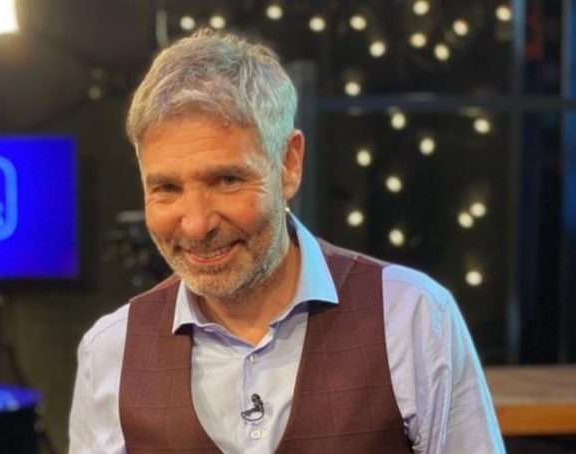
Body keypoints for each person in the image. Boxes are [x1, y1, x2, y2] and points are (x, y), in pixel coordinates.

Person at [69, 29, 504, 453]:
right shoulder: (109, 352)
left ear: (289, 164)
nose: (197, 225)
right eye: (166, 188)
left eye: (227, 180)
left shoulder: (412, 317)